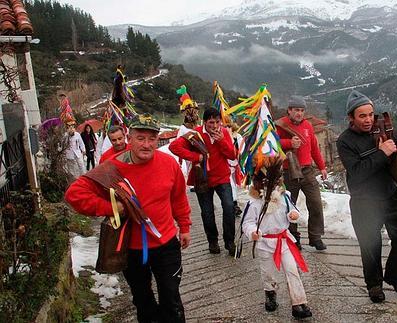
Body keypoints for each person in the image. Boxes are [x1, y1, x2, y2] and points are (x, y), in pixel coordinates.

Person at [65, 114, 191, 323]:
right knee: (143, 300)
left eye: (152, 139)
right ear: (129, 139)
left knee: (171, 299)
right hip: (131, 249)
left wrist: (184, 226)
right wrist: (113, 207)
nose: (147, 144)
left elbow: (178, 197)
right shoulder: (112, 167)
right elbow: (74, 195)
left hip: (166, 243)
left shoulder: (168, 164)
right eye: (141, 138)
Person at [336, 90, 397, 303]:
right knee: (370, 244)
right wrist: (382, 153)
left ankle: (395, 277)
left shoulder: (383, 129)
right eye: (362, 116)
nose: (368, 120)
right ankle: (374, 285)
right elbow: (358, 172)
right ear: (351, 118)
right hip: (364, 201)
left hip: (392, 196)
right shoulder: (345, 141)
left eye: (371, 114)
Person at [242, 170, 312, 319]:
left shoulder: (284, 196)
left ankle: (298, 302)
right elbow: (247, 222)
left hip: (284, 240)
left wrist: (293, 215)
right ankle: (270, 292)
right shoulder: (254, 202)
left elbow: (293, 209)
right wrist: (253, 231)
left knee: (292, 269)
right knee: (267, 272)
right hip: (264, 242)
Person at [169, 108, 237, 256]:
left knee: (229, 207)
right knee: (207, 213)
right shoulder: (195, 134)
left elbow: (232, 155)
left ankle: (230, 241)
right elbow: (174, 147)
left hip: (222, 177)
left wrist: (221, 141)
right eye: (211, 122)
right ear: (204, 122)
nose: (215, 125)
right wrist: (196, 157)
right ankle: (213, 242)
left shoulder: (224, 133)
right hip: (202, 179)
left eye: (217, 122)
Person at [276, 96, 328, 250]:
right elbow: (271, 142)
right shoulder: (281, 124)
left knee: (316, 203)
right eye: (296, 110)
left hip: (307, 170)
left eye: (302, 110)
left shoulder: (308, 126)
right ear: (289, 110)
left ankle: (315, 237)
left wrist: (322, 166)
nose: (299, 113)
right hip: (289, 171)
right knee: (289, 206)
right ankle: (293, 237)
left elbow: (314, 148)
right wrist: (288, 143)